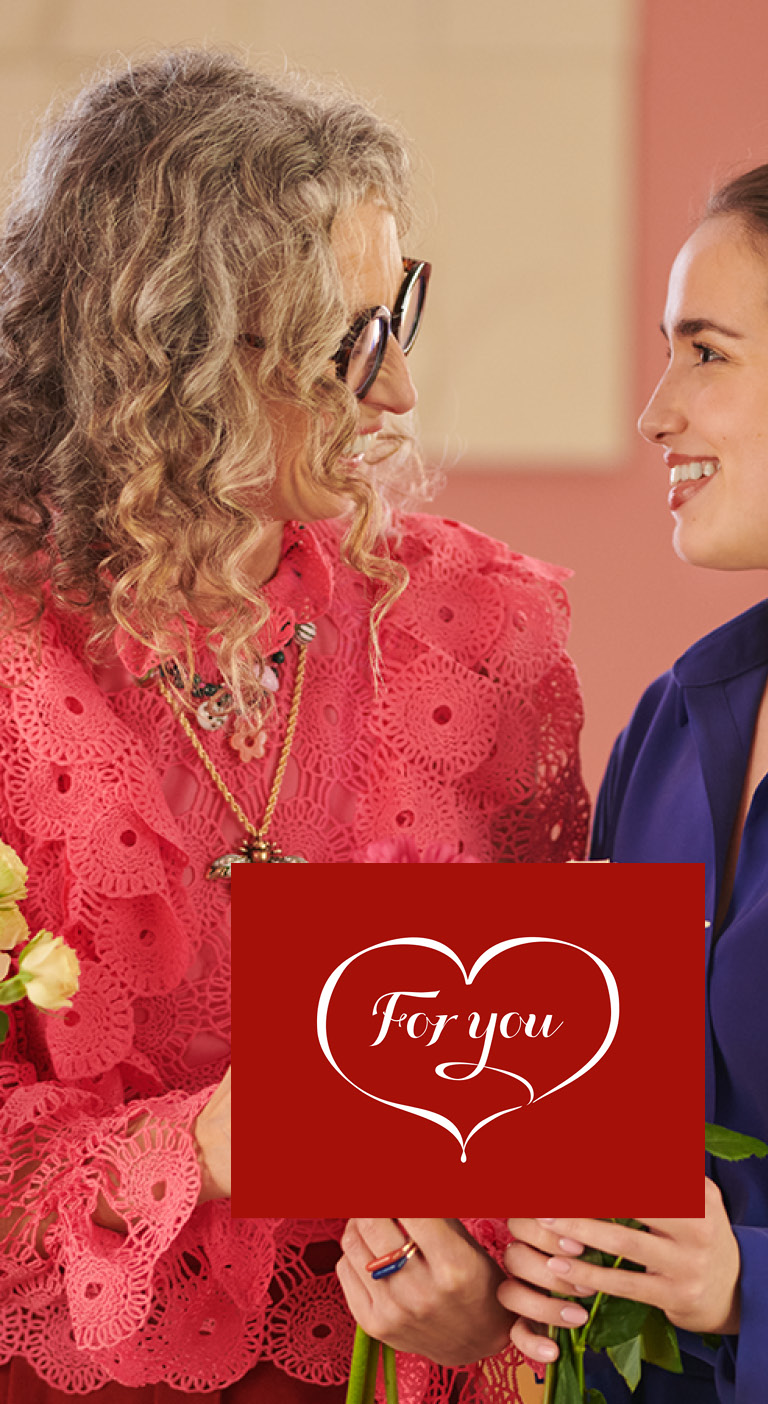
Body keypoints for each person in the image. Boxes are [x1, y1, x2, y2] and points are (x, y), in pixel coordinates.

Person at [0, 48, 590, 1400]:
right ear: (166, 363)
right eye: (344, 345)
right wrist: (206, 1144)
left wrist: (484, 1288)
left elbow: (557, 1073)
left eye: (401, 317)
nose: (397, 397)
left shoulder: (476, 631)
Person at [498, 150, 768, 1403]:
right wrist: (507, 1275)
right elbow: (597, 1139)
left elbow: (717, 1265)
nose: (656, 412)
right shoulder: (673, 725)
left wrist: (754, 1286)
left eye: (708, 353)